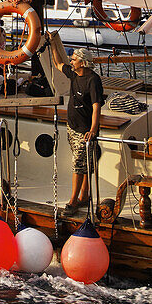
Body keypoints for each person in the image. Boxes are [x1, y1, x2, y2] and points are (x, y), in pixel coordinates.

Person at [50, 44, 105, 212]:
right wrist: (53, 45)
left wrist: (93, 129)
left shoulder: (93, 80)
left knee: (78, 165)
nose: (71, 62)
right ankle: (85, 195)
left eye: (74, 59)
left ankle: (73, 201)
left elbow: (96, 107)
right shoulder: (74, 74)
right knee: (84, 163)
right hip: (72, 127)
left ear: (83, 63)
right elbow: (58, 64)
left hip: (85, 131)